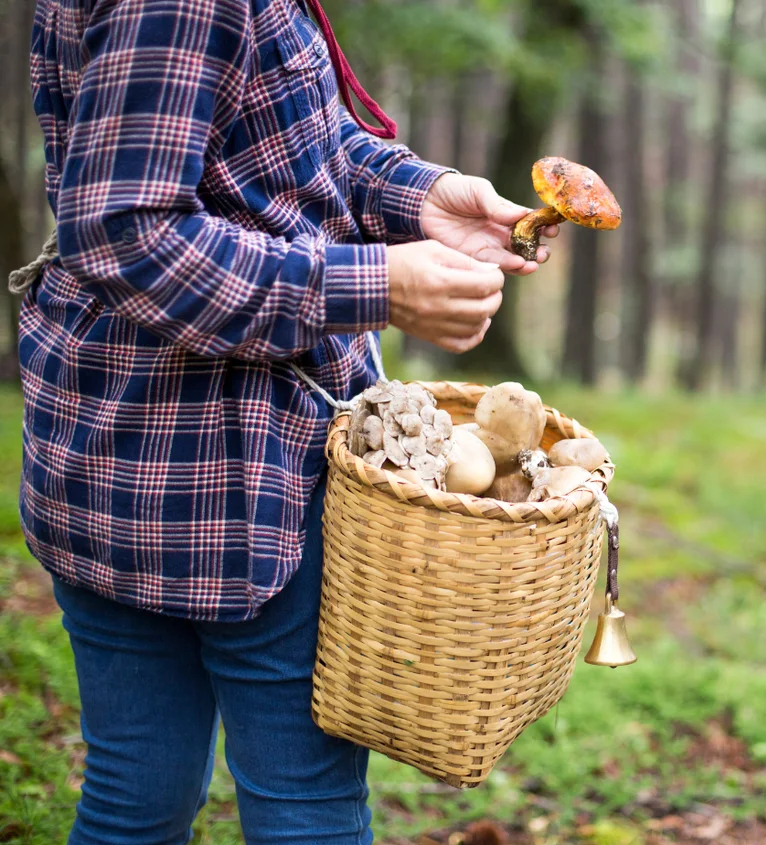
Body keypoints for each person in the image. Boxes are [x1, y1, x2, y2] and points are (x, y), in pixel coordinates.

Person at [17, 0, 555, 842]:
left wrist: (423, 195)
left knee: (135, 796)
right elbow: (125, 232)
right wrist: (371, 285)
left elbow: (285, 144)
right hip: (239, 477)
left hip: (100, 452)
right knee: (303, 805)